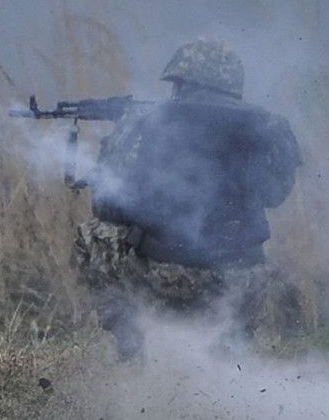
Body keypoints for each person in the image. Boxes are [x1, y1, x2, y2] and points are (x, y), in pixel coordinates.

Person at [72, 37, 302, 361]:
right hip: (244, 283)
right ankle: (231, 347)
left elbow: (109, 203)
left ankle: (132, 348)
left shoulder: (150, 121)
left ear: (181, 83)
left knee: (93, 234)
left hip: (169, 279)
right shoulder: (267, 124)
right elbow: (275, 195)